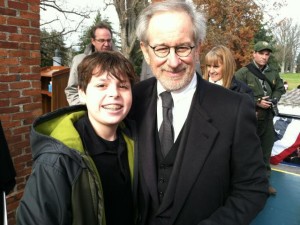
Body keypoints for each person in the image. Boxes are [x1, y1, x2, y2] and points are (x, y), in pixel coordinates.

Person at [129, 1, 268, 225]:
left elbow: (252, 188)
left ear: (199, 47)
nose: (173, 62)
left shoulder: (234, 108)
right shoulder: (131, 101)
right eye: (162, 48)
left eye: (183, 47)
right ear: (145, 51)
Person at [16, 51, 138, 225]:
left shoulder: (137, 142)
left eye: (123, 86)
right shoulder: (57, 160)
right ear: (82, 93)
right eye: (102, 85)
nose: (114, 93)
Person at [235, 41, 286, 195]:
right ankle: (242, 185)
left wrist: (275, 98)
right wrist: (257, 102)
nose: (264, 57)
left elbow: (280, 88)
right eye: (261, 53)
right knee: (246, 152)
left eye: (267, 54)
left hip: (268, 117)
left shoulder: (273, 72)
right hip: (250, 118)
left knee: (265, 151)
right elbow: (235, 94)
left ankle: (263, 184)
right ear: (254, 54)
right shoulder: (243, 73)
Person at [65, 22, 114, 105]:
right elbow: (72, 90)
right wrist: (84, 110)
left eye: (108, 40)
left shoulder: (121, 61)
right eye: (101, 40)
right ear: (93, 41)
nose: (106, 44)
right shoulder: (79, 61)